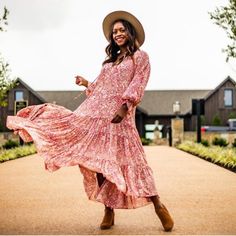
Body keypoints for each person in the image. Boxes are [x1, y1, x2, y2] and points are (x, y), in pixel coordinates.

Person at [7, 10, 174, 232]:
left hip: (120, 117)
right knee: (99, 164)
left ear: (130, 32)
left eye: (122, 30)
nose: (117, 34)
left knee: (135, 162)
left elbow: (138, 84)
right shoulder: (110, 61)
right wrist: (87, 83)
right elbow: (102, 88)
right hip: (96, 114)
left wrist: (124, 107)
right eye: (114, 32)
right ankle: (108, 210)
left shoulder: (140, 57)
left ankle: (158, 205)